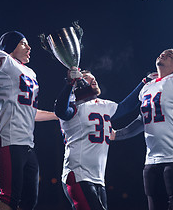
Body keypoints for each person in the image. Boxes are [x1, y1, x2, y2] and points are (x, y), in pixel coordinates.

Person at [0, 8, 58, 210]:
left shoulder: (30, 72)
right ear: (11, 46)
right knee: (8, 197)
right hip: (9, 137)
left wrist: (56, 115)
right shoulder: (2, 60)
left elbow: (30, 112)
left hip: (27, 141)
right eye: (23, 43)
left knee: (29, 201)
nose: (29, 48)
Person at [111, 49, 173, 210]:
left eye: (170, 55)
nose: (164, 54)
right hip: (152, 158)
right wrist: (116, 135)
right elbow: (141, 121)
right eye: (163, 53)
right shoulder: (147, 87)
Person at [54, 68, 153, 210]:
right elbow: (61, 111)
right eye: (87, 78)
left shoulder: (103, 105)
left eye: (93, 77)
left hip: (98, 177)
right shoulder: (74, 105)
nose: (93, 79)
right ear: (78, 83)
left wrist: (144, 82)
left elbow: (126, 107)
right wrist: (69, 84)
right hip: (77, 174)